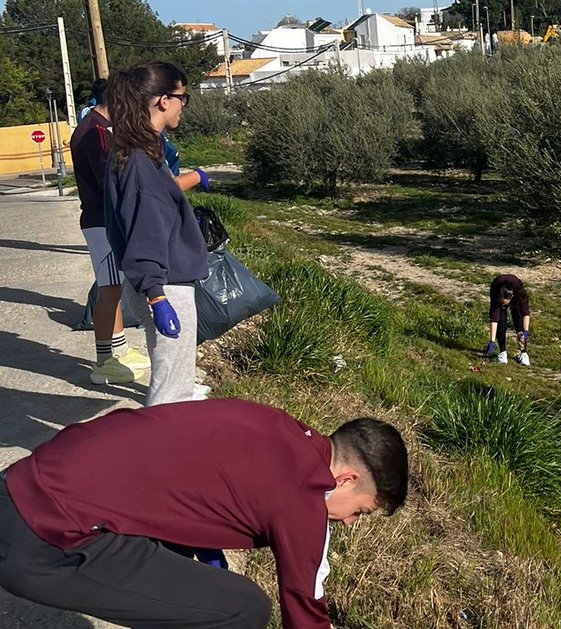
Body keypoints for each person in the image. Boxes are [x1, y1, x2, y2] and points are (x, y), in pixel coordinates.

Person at [0, 398, 409, 628]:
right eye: (362, 512)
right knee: (243, 607)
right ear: (347, 479)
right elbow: (305, 611)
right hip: (46, 539)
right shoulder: (305, 492)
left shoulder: (277, 428)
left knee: (201, 587)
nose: (351, 523)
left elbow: (196, 494)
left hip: (23, 481)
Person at [103, 61, 208, 406]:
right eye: (183, 97)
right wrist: (157, 297)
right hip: (164, 285)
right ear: (164, 100)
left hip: (155, 281)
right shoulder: (140, 160)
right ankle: (159, 455)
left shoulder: (134, 148)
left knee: (170, 381)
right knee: (171, 394)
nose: (183, 105)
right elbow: (145, 229)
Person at [68, 78, 151, 385]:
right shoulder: (97, 133)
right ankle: (105, 361)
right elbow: (110, 180)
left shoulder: (93, 126)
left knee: (114, 288)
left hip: (100, 218)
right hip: (101, 220)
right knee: (110, 289)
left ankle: (118, 351)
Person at [484, 274, 530, 366]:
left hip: (516, 293)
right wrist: (492, 341)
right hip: (497, 287)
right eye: (502, 303)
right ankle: (502, 352)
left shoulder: (519, 293)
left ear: (511, 297)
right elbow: (494, 319)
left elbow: (525, 313)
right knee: (501, 320)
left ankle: (523, 353)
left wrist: (525, 332)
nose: (504, 305)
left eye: (505, 303)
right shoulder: (496, 293)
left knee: (518, 319)